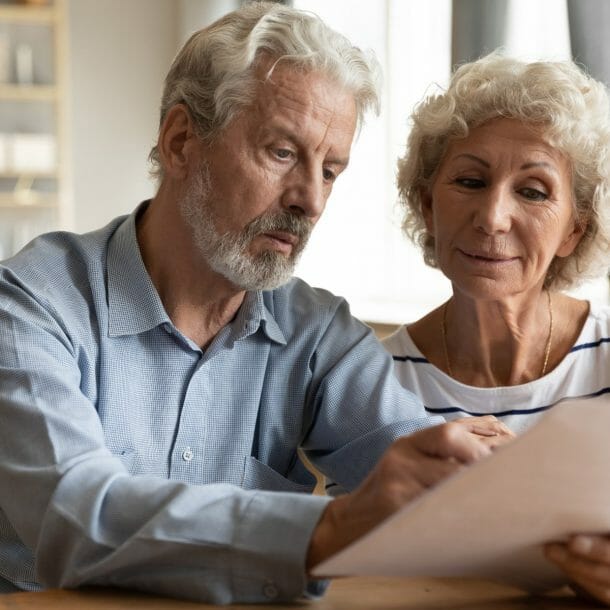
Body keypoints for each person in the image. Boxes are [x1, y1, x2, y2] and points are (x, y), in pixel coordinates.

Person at [0, 3, 511, 605]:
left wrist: (494, 489)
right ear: (181, 141)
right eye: (282, 153)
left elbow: (419, 462)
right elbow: (75, 515)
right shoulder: (32, 305)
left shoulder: (319, 335)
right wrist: (331, 527)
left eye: (330, 170)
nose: (310, 201)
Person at [383, 52, 610, 605]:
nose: (492, 218)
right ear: (426, 202)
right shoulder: (371, 382)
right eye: (470, 180)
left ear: (573, 231)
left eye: (533, 191)